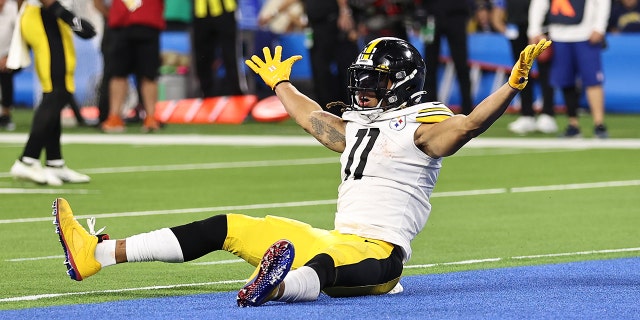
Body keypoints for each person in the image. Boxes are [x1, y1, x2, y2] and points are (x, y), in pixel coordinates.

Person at [52, 37, 551, 306]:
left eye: (376, 81)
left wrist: (509, 88)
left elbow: (463, 129)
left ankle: (278, 287)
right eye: (363, 80)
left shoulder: (425, 123)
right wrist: (281, 84)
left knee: (324, 268)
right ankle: (97, 253)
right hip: (334, 238)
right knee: (229, 225)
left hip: (380, 257)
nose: (364, 89)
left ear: (402, 83)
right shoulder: (361, 122)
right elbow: (319, 123)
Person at [7, 0, 94, 185]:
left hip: (48, 15)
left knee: (61, 86)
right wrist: (65, 15)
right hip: (43, 14)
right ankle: (27, 159)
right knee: (56, 89)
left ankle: (55, 163)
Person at [529, 0, 610, 138]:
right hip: (559, 34)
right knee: (566, 81)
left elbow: (603, 2)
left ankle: (599, 124)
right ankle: (573, 124)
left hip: (586, 34)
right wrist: (534, 30)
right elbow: (539, 3)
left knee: (593, 80)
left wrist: (599, 27)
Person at [491, 0, 557, 134]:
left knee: (546, 70)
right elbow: (499, 6)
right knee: (521, 71)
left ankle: (548, 114)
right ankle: (527, 114)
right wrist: (504, 27)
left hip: (541, 25)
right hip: (516, 25)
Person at [100, 0, 163, 133]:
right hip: (121, 24)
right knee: (118, 73)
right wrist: (110, 15)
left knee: (149, 74)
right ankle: (114, 116)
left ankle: (151, 117)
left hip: (148, 22)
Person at [299, 0, 359, 116]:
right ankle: (325, 109)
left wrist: (344, 11)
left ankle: (349, 108)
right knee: (320, 71)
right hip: (316, 26)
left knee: (345, 68)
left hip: (333, 22)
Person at [418, 0, 475, 115]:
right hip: (430, 15)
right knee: (429, 65)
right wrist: (420, 12)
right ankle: (430, 107)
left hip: (456, 15)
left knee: (461, 65)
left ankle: (468, 108)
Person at [191, 0, 246, 98]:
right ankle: (206, 94)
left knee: (230, 55)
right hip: (200, 11)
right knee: (202, 57)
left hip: (225, 9)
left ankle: (237, 93)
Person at [0, 0, 18, 131]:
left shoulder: (13, 9)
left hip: (10, 56)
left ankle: (5, 114)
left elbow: (19, 36)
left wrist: (8, 57)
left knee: (5, 73)